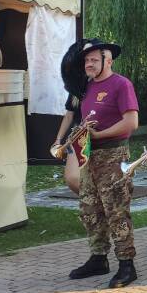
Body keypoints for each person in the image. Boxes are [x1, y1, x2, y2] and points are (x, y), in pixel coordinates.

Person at [68, 39, 141, 288]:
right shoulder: (86, 87)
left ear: (107, 61)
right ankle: (98, 257)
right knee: (90, 209)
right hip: (90, 157)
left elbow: (131, 123)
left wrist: (100, 134)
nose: (88, 64)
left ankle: (126, 264)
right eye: (86, 60)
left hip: (113, 155)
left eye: (94, 60)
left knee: (116, 211)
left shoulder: (121, 84)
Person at [51, 39, 94, 195]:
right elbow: (69, 114)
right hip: (77, 136)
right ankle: (91, 200)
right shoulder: (76, 87)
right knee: (72, 178)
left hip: (97, 136)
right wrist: (58, 140)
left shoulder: (106, 84)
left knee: (92, 178)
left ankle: (94, 203)